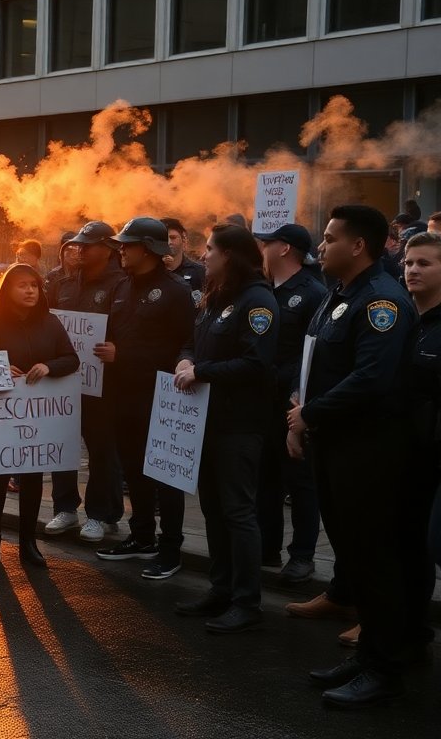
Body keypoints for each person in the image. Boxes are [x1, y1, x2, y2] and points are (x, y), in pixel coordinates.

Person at [289, 205, 417, 707]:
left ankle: (384, 668)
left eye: (329, 239)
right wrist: (300, 411)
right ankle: (369, 655)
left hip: (368, 451)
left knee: (375, 559)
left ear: (358, 245)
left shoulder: (382, 302)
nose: (320, 247)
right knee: (355, 556)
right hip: (333, 445)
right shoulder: (339, 296)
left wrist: (311, 413)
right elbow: (316, 362)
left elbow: (372, 378)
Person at [172, 225, 278, 634]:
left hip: (239, 425)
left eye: (212, 248)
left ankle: (247, 600)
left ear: (231, 255)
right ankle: (220, 588)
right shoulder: (216, 295)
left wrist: (202, 371)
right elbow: (191, 341)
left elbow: (256, 364)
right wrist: (185, 361)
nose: (205, 254)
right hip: (207, 421)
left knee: (237, 511)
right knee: (214, 509)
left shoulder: (257, 301)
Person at [94, 217, 196, 580]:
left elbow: (182, 348)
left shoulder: (176, 292)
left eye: (129, 244)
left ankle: (170, 548)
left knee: (165, 475)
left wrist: (124, 356)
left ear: (149, 249)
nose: (122, 249)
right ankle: (141, 538)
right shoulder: (121, 286)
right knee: (134, 470)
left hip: (161, 399)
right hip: (123, 397)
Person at [0, 263, 79, 569]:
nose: (30, 290)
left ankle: (28, 543)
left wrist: (50, 367)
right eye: (22, 285)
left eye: (34, 285)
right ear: (7, 290)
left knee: (33, 479)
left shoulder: (51, 323)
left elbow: (71, 359)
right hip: (2, 419)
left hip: (37, 421)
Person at [253, 224, 326, 583]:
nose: (262, 248)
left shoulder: (312, 292)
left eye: (267, 243)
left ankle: (302, 555)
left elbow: (312, 350)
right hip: (262, 399)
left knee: (299, 481)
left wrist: (297, 390)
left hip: (293, 401)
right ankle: (267, 547)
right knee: (265, 476)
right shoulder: (264, 289)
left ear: (285, 249)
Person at [46, 221, 126, 542]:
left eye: (87, 245)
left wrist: (119, 351)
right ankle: (65, 508)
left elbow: (129, 330)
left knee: (102, 450)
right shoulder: (62, 283)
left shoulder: (122, 285)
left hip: (102, 386)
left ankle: (98, 514)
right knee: (62, 445)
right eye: (78, 244)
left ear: (108, 249)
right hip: (66, 382)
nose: (79, 249)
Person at [399, 232, 441, 662]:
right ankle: (411, 634)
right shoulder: (408, 321)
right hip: (406, 459)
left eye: (424, 263)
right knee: (410, 549)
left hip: (434, 459)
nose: (412, 269)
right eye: (409, 262)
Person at [161, 217, 206, 301]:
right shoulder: (151, 271)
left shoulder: (199, 272)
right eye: (164, 238)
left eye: (173, 237)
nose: (169, 242)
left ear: (183, 240)